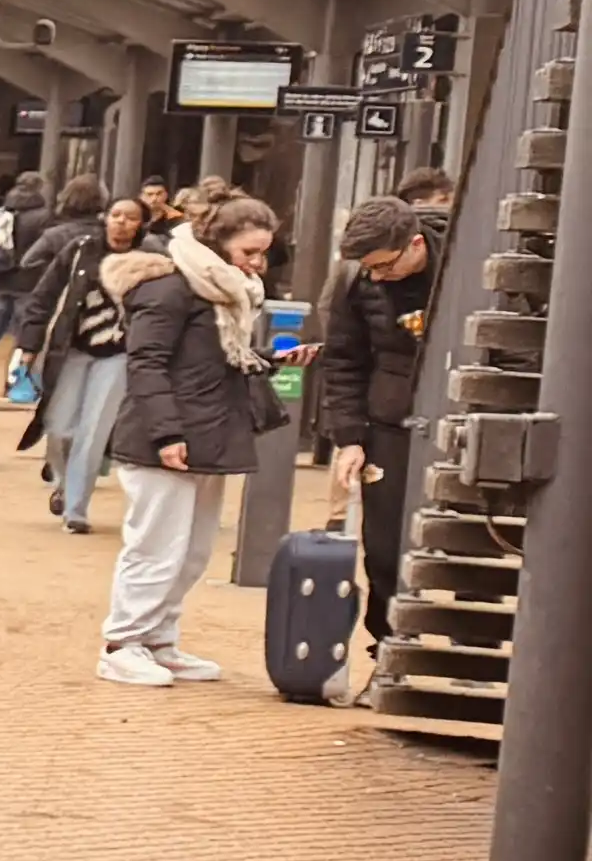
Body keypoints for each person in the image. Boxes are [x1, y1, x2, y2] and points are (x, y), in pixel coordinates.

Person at [100, 191, 282, 686]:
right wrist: (166, 433)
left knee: (192, 549)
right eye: (249, 252)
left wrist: (268, 358)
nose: (256, 263)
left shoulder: (223, 293)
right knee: (156, 546)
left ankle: (158, 638)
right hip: (165, 438)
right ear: (218, 244)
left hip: (206, 433)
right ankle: (122, 642)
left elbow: (209, 359)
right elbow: (147, 362)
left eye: (262, 252)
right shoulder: (170, 288)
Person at [308, 194, 435, 648]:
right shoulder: (357, 279)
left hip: (457, 415)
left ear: (415, 245)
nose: (377, 276)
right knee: (383, 545)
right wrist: (349, 437)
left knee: (468, 538)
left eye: (384, 266)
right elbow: (344, 359)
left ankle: (473, 648)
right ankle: (388, 644)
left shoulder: (463, 259)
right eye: (369, 269)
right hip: (389, 420)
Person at [3, 181, 113, 506]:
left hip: (58, 330)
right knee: (93, 411)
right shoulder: (106, 240)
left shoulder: (55, 235)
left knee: (58, 404)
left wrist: (49, 282)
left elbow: (28, 263)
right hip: (98, 333)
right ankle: (80, 470)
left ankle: (63, 469)